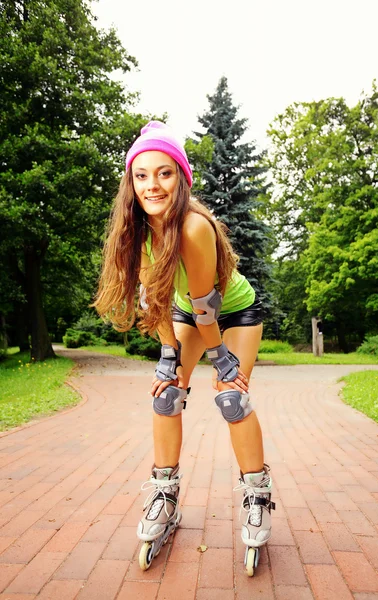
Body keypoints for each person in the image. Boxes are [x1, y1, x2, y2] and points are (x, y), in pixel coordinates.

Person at [93, 121, 275, 576]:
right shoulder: (132, 232)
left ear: (182, 178)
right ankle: (164, 496)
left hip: (231, 313)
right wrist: (169, 357)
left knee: (231, 397)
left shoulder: (194, 227)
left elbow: (206, 305)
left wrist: (223, 361)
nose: (152, 185)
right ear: (130, 182)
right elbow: (155, 302)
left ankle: (257, 496)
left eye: (164, 173)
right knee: (167, 393)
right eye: (141, 175)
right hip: (183, 313)